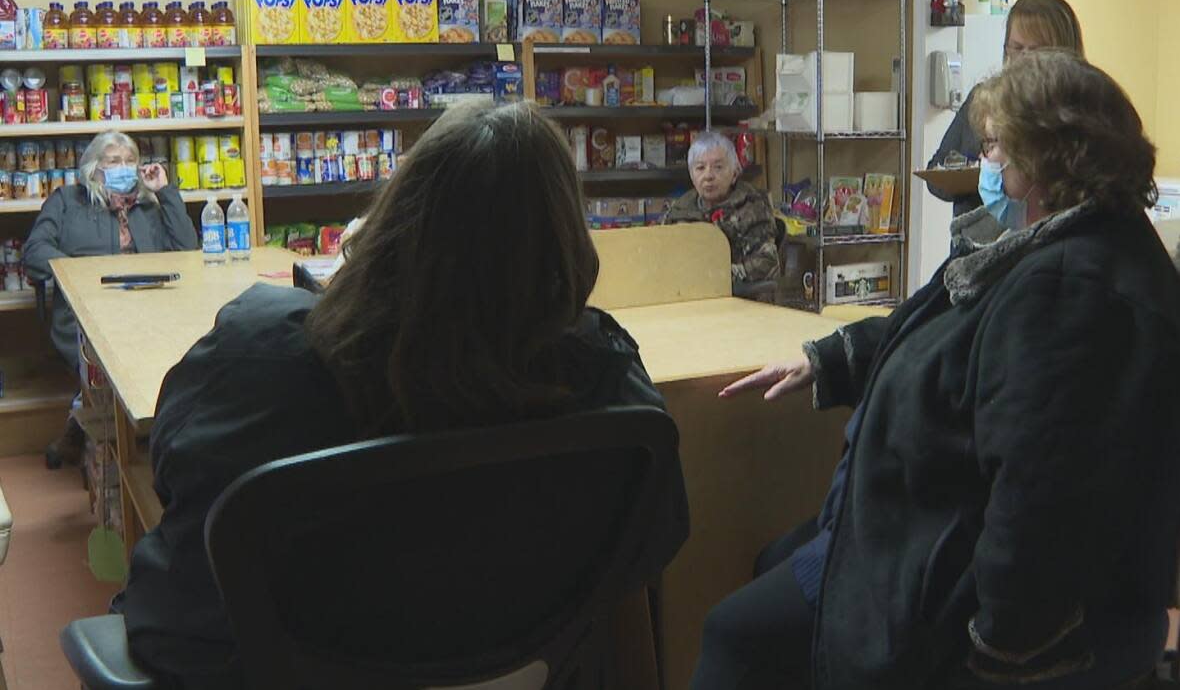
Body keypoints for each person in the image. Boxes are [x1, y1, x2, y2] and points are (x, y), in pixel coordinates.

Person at [115, 99, 690, 689]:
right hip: (510, 663)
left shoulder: (260, 349)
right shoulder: (602, 376)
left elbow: (173, 466)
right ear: (565, 237)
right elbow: (653, 536)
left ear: (393, 216)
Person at [693, 51, 1180, 690]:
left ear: (1051, 156)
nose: (989, 165)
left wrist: (1002, 652)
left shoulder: (1075, 289)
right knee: (770, 569)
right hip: (910, 529)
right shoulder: (1053, 248)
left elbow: (1040, 500)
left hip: (935, 565)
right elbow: (945, 332)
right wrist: (832, 358)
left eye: (998, 147)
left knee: (736, 636)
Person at [24, 130, 197, 468]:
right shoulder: (67, 201)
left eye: (130, 160)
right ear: (94, 168)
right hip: (89, 309)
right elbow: (35, 251)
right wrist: (79, 274)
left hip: (151, 305)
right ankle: (95, 428)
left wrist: (167, 192)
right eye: (114, 161)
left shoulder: (149, 204)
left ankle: (115, 428)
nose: (124, 167)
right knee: (113, 356)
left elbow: (187, 250)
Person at [927, 0, 1085, 218]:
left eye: (1038, 50)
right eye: (1018, 48)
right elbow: (937, 175)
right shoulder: (984, 101)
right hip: (974, 240)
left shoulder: (1082, 112)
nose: (1026, 60)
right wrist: (986, 176)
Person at [662, 130, 778, 285]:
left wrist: (716, 277)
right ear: (691, 175)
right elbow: (659, 255)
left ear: (734, 174)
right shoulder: (680, 210)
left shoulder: (752, 207)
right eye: (700, 168)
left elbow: (767, 263)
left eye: (718, 167)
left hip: (737, 298)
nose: (708, 176)